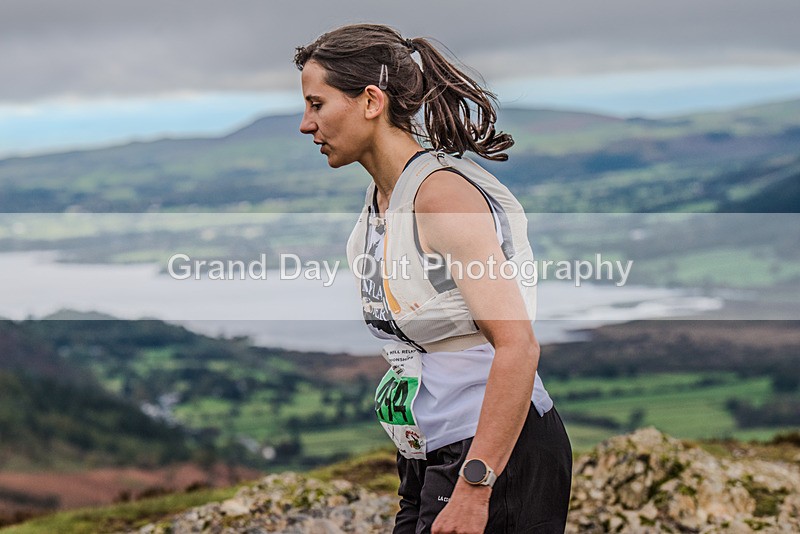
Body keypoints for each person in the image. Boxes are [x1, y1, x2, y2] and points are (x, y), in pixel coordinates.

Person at [294, 24, 572, 533]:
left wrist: (475, 486)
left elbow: (518, 346)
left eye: (317, 104)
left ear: (371, 101)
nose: (306, 124)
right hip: (429, 451)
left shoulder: (442, 197)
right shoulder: (384, 199)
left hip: (490, 456)